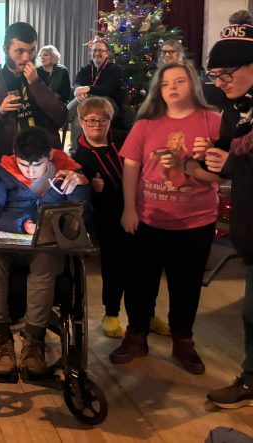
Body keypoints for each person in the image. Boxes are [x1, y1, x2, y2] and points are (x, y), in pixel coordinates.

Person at [109, 61, 223, 374]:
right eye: (165, 83)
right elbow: (131, 167)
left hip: (195, 222)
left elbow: (222, 177)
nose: (172, 88)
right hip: (148, 219)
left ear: (194, 86)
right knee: (140, 283)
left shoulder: (213, 121)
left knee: (186, 285)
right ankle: (136, 335)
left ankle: (183, 340)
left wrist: (196, 160)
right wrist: (129, 208)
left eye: (180, 81)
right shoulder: (145, 124)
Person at [0, 127, 89, 376]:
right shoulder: (2, 172)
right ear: (14, 155)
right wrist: (22, 224)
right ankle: (1, 337)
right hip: (7, 242)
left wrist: (80, 182)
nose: (29, 171)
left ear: (49, 156)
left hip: (46, 247)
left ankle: (34, 341)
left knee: (46, 263)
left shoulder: (67, 172)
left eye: (36, 165)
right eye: (23, 165)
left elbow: (82, 212)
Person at [71, 96, 169, 338]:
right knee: (114, 266)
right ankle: (111, 313)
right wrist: (92, 189)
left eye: (102, 120)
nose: (97, 125)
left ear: (110, 120)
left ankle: (147, 313)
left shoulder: (125, 138)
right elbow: (80, 197)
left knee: (148, 266)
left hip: (143, 210)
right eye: (91, 120)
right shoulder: (79, 157)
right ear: (81, 122)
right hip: (109, 218)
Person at [204, 19, 253, 408]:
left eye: (226, 73)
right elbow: (229, 153)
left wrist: (231, 164)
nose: (219, 82)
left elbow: (238, 162)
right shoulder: (240, 111)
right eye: (215, 75)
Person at [0, 22, 67, 164]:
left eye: (32, 50)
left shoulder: (44, 77)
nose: (26, 57)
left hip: (45, 162)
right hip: (5, 166)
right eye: (20, 51)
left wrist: (36, 85)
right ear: (5, 49)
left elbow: (61, 117)